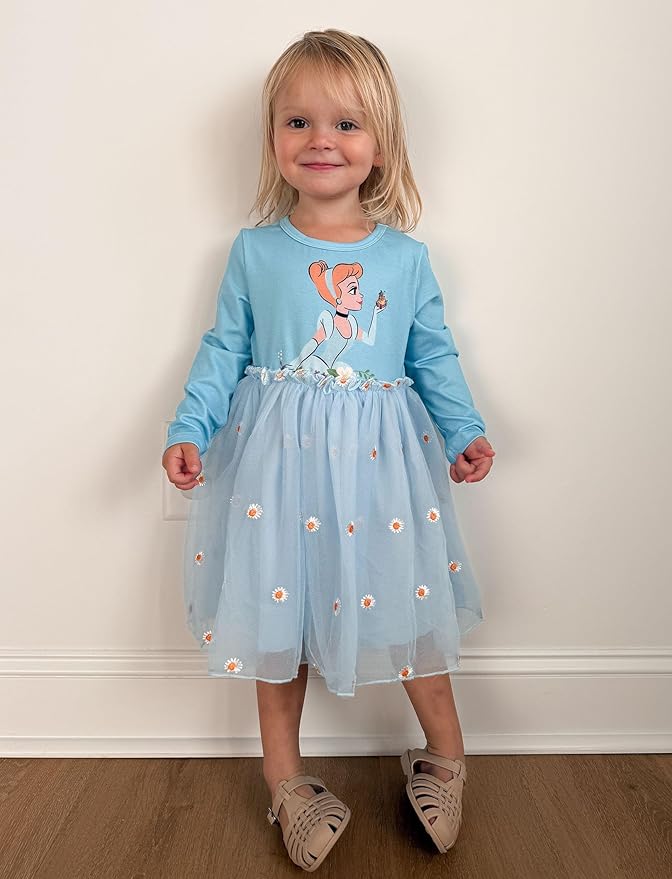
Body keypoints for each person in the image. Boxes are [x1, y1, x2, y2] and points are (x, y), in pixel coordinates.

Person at [162, 28, 496, 871]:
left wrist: (464, 429)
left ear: (381, 143)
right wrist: (190, 427)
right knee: (278, 622)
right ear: (274, 136)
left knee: (408, 609)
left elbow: (433, 354)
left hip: (380, 477)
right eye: (299, 121)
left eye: (346, 124)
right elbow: (222, 349)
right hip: (277, 474)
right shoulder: (256, 252)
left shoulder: (405, 259)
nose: (321, 140)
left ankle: (445, 757)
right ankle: (285, 780)